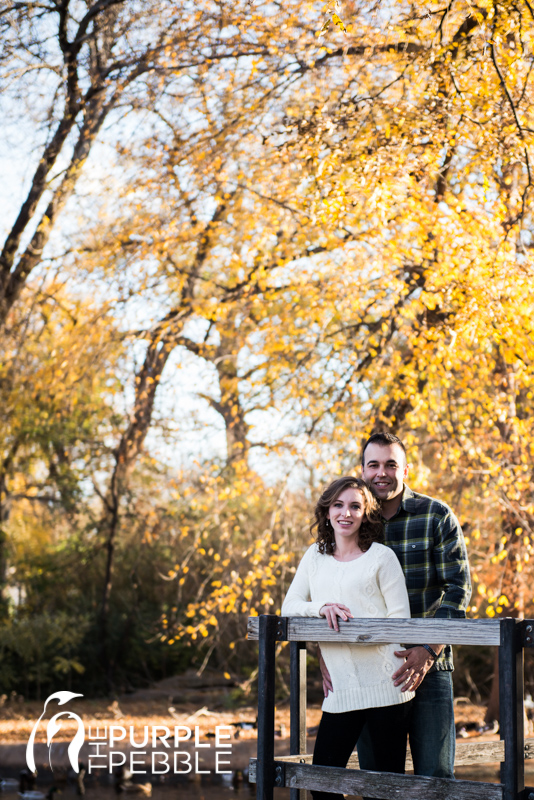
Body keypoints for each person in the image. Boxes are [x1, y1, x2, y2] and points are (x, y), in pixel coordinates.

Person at [319, 432, 472, 780]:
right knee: (378, 780)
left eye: (391, 464)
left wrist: (427, 649)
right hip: (369, 670)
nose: (381, 473)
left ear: (406, 470)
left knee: (435, 779)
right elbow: (326, 590)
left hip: (431, 668)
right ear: (362, 469)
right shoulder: (352, 521)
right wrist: (323, 652)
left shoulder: (436, 516)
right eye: (373, 465)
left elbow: (458, 590)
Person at [282, 476, 415, 800]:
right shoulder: (315, 556)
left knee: (387, 789)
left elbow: (401, 620)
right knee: (321, 783)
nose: (346, 513)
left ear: (366, 512)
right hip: (341, 687)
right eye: (338, 505)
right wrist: (321, 608)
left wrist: (359, 632)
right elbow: (290, 606)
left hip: (387, 685)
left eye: (355, 505)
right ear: (327, 511)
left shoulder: (382, 557)